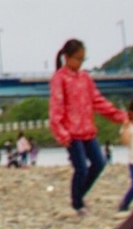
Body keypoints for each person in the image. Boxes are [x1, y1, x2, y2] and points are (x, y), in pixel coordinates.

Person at [49, 38, 128, 215]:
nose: (79, 63)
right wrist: (62, 133)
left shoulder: (85, 78)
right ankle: (77, 204)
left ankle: (78, 196)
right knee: (81, 168)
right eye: (77, 59)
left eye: (82, 59)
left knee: (99, 163)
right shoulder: (59, 78)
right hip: (71, 133)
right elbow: (56, 108)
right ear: (67, 57)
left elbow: (98, 101)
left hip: (87, 130)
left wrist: (119, 116)